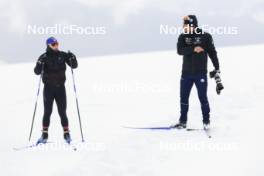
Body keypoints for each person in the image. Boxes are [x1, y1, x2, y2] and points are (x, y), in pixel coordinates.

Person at [173, 15, 221, 130]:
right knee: (183, 98)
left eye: (185, 24)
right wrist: (193, 48)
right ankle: (183, 121)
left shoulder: (205, 36)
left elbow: (213, 53)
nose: (183, 27)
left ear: (192, 25)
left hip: (200, 73)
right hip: (186, 74)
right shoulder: (182, 37)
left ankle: (206, 122)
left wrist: (217, 68)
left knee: (202, 97)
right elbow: (180, 51)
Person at [34, 37, 78, 143]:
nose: (56, 46)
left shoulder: (63, 55)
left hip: (60, 89)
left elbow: (74, 66)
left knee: (62, 111)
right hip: (48, 89)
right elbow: (37, 72)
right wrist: (39, 63)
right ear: (48, 45)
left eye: (57, 44)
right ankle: (44, 135)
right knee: (47, 111)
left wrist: (73, 58)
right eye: (54, 44)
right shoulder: (43, 57)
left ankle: (66, 134)